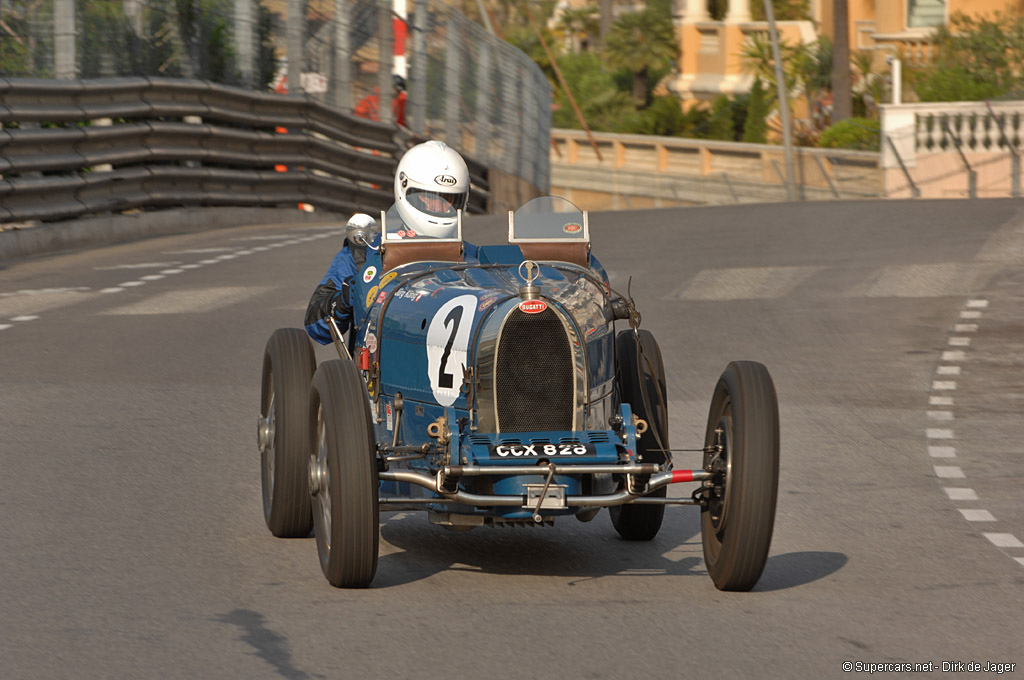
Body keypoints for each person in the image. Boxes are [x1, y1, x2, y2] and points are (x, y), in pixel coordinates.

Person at [304, 140, 475, 345]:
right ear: (404, 189)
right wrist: (345, 299)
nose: (438, 206)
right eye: (428, 197)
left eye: (449, 199)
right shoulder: (365, 253)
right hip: (372, 372)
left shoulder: (473, 258)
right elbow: (315, 325)